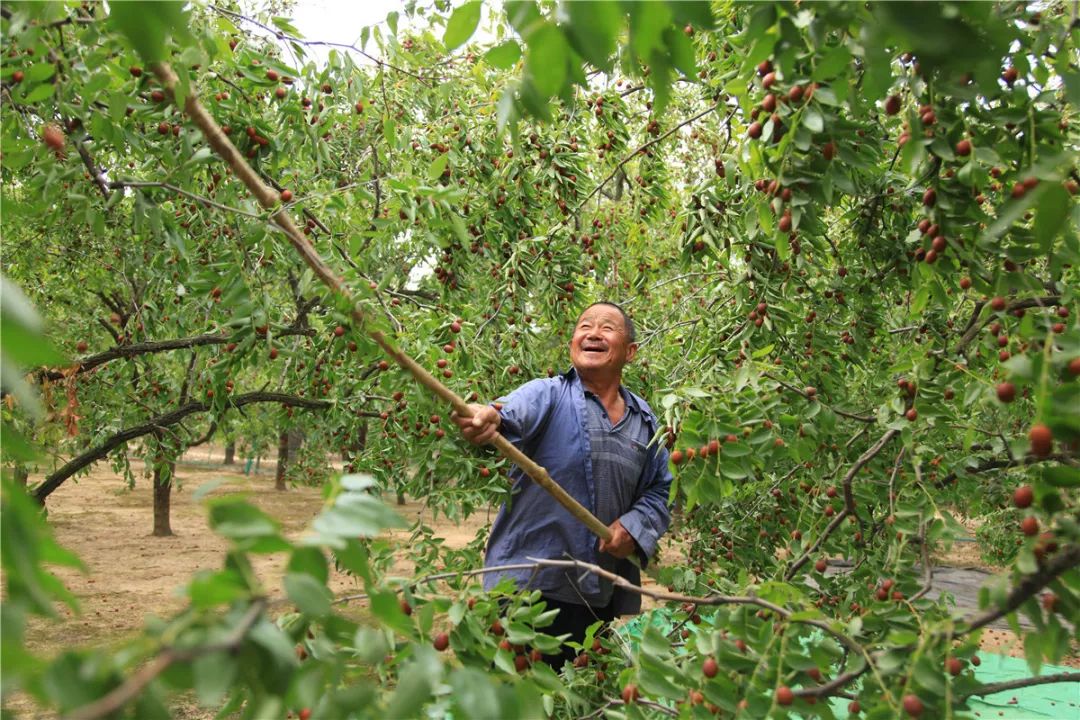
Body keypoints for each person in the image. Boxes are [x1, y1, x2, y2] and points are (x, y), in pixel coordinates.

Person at [451, 302, 673, 667]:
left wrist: (633, 528)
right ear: (573, 343)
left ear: (630, 352)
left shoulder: (645, 423)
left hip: (594, 594)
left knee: (575, 700)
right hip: (527, 585)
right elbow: (508, 412)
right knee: (513, 699)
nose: (593, 333)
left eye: (607, 328)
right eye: (585, 325)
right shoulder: (548, 393)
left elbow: (659, 492)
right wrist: (488, 417)